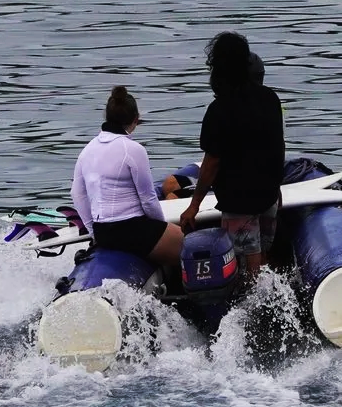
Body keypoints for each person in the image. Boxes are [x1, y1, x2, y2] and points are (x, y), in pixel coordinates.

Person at [180, 32, 285, 285]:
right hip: (268, 195)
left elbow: (211, 163)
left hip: (240, 201)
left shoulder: (219, 110)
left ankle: (255, 313)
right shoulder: (270, 98)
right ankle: (276, 303)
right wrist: (277, 187)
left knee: (251, 269)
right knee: (265, 257)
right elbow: (277, 147)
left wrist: (194, 205)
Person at [72, 86, 183, 271]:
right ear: (136, 119)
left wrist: (94, 232)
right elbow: (148, 199)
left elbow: (77, 194)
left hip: (102, 230)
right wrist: (161, 229)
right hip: (130, 228)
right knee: (193, 248)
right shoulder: (133, 149)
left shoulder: (87, 150)